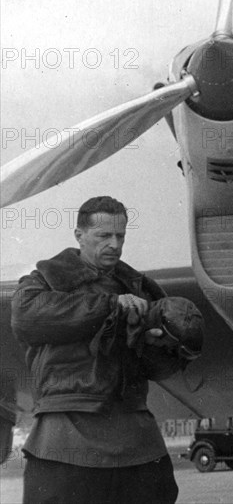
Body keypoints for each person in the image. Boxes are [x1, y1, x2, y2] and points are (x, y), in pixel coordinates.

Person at [11, 196, 204, 504]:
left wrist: (164, 342)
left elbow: (158, 369)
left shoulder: (140, 286)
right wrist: (110, 305)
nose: (114, 244)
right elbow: (26, 318)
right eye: (103, 236)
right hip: (68, 430)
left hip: (133, 432)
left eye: (120, 236)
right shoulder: (45, 279)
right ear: (79, 236)